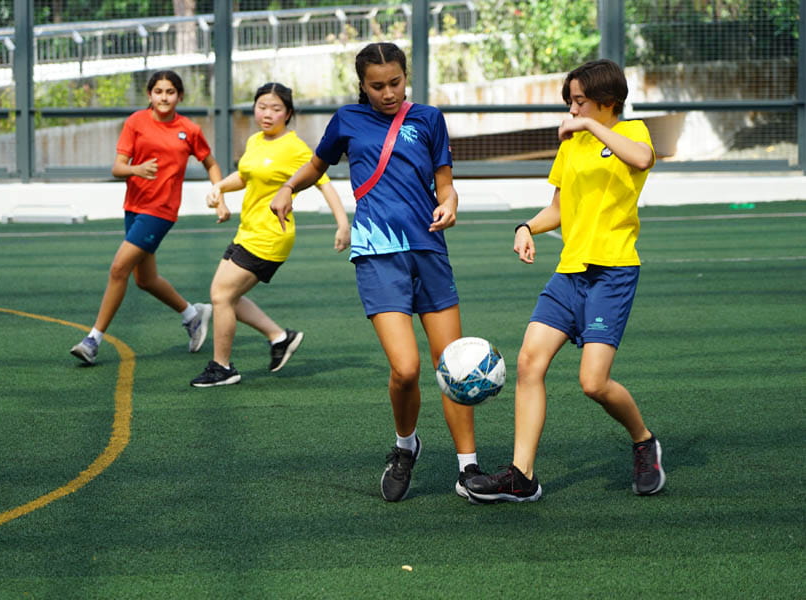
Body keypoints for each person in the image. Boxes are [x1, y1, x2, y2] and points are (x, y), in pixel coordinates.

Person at [270, 42, 485, 503]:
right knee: (405, 369)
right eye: (377, 85)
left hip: (428, 249)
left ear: (405, 77)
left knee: (454, 368)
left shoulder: (428, 119)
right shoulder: (347, 120)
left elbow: (446, 186)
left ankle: (469, 469)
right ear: (361, 85)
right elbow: (315, 165)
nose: (388, 93)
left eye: (395, 83)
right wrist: (288, 188)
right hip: (377, 254)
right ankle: (405, 446)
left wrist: (448, 205)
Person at [465, 59, 665, 503]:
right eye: (570, 101)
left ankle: (643, 441)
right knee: (528, 364)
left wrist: (589, 128)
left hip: (612, 272)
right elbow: (559, 208)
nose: (572, 109)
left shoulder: (632, 134)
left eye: (580, 101)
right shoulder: (572, 146)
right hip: (569, 272)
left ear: (607, 101)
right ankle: (522, 475)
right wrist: (526, 227)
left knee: (593, 383)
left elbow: (643, 159)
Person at [189, 82, 350, 387]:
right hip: (248, 231)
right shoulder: (255, 141)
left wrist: (342, 224)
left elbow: (323, 182)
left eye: (276, 108)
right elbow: (246, 176)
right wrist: (220, 186)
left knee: (221, 295)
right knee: (228, 296)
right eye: (262, 106)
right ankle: (280, 338)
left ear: (288, 114)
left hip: (271, 236)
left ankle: (222, 367)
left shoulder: (294, 147)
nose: (267, 114)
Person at [70, 70, 222, 365]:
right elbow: (117, 167)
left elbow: (211, 163)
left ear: (179, 96)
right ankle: (193, 315)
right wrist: (135, 170)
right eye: (158, 91)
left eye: (170, 92)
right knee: (145, 279)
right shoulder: (135, 122)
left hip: (161, 211)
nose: (164, 97)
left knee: (118, 269)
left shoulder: (188, 130)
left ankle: (92, 340)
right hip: (134, 207)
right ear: (149, 95)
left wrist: (219, 194)